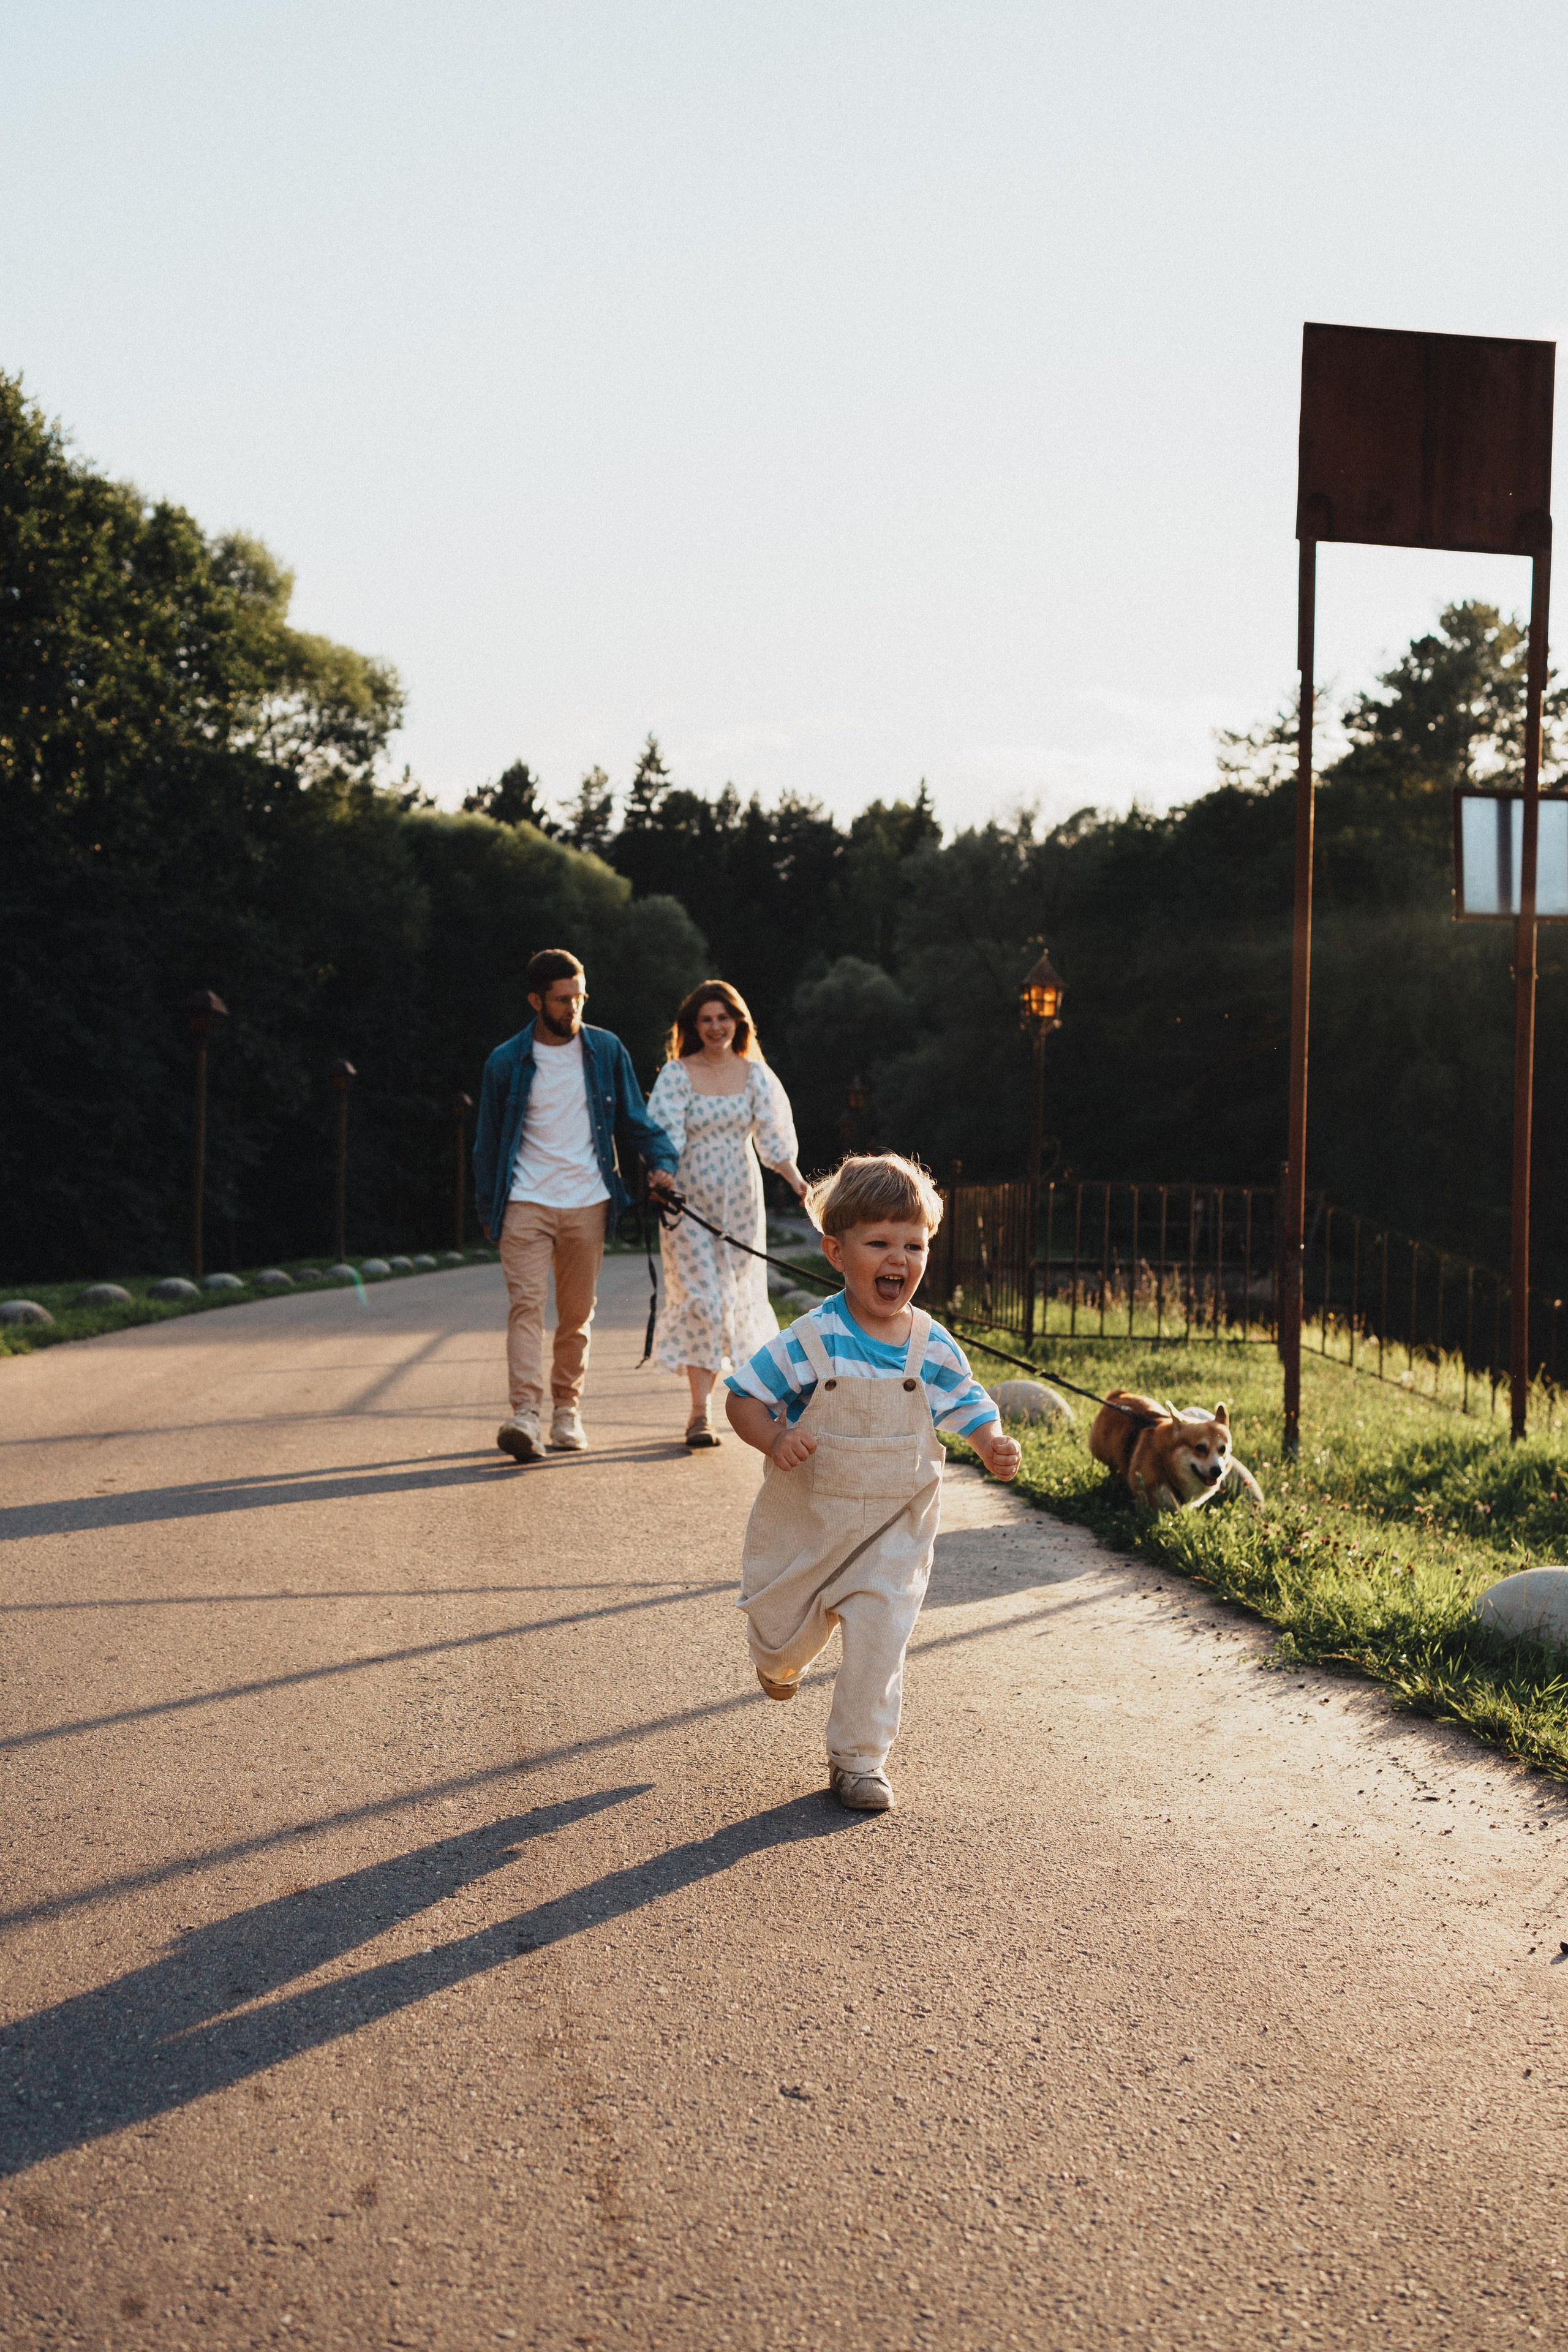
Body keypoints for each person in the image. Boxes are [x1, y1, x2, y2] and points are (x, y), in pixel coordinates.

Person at [723, 1152, 1021, 1812]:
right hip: (811, 1518)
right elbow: (742, 1397)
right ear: (836, 1250)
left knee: (881, 1636)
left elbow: (967, 1401)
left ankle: (859, 1759)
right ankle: (776, 1659)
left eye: (913, 1245)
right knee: (780, 1633)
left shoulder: (931, 1345)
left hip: (895, 1527)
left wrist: (990, 1439)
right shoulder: (811, 1338)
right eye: (879, 1242)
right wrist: (775, 1436)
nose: (900, 1259)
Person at [473, 948, 677, 1463]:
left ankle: (567, 1411)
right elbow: (487, 1144)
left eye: (580, 996)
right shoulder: (505, 1062)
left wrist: (661, 1162)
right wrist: (486, 1210)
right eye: (563, 999)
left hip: (588, 1201)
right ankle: (524, 1415)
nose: (574, 1008)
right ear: (536, 1000)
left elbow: (635, 1118)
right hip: (524, 1200)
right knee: (525, 1307)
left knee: (576, 1314)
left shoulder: (605, 1051)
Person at [646, 980, 808, 1449]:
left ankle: (758, 1403)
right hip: (688, 1197)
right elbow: (664, 1135)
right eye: (706, 1019)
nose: (716, 1027)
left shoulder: (754, 1074)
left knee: (738, 1295)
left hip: (741, 1194)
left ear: (737, 1022)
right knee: (702, 1297)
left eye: (723, 1018)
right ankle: (700, 1412)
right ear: (693, 1026)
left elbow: (774, 1138)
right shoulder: (677, 1074)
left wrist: (796, 1180)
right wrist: (663, 1175)